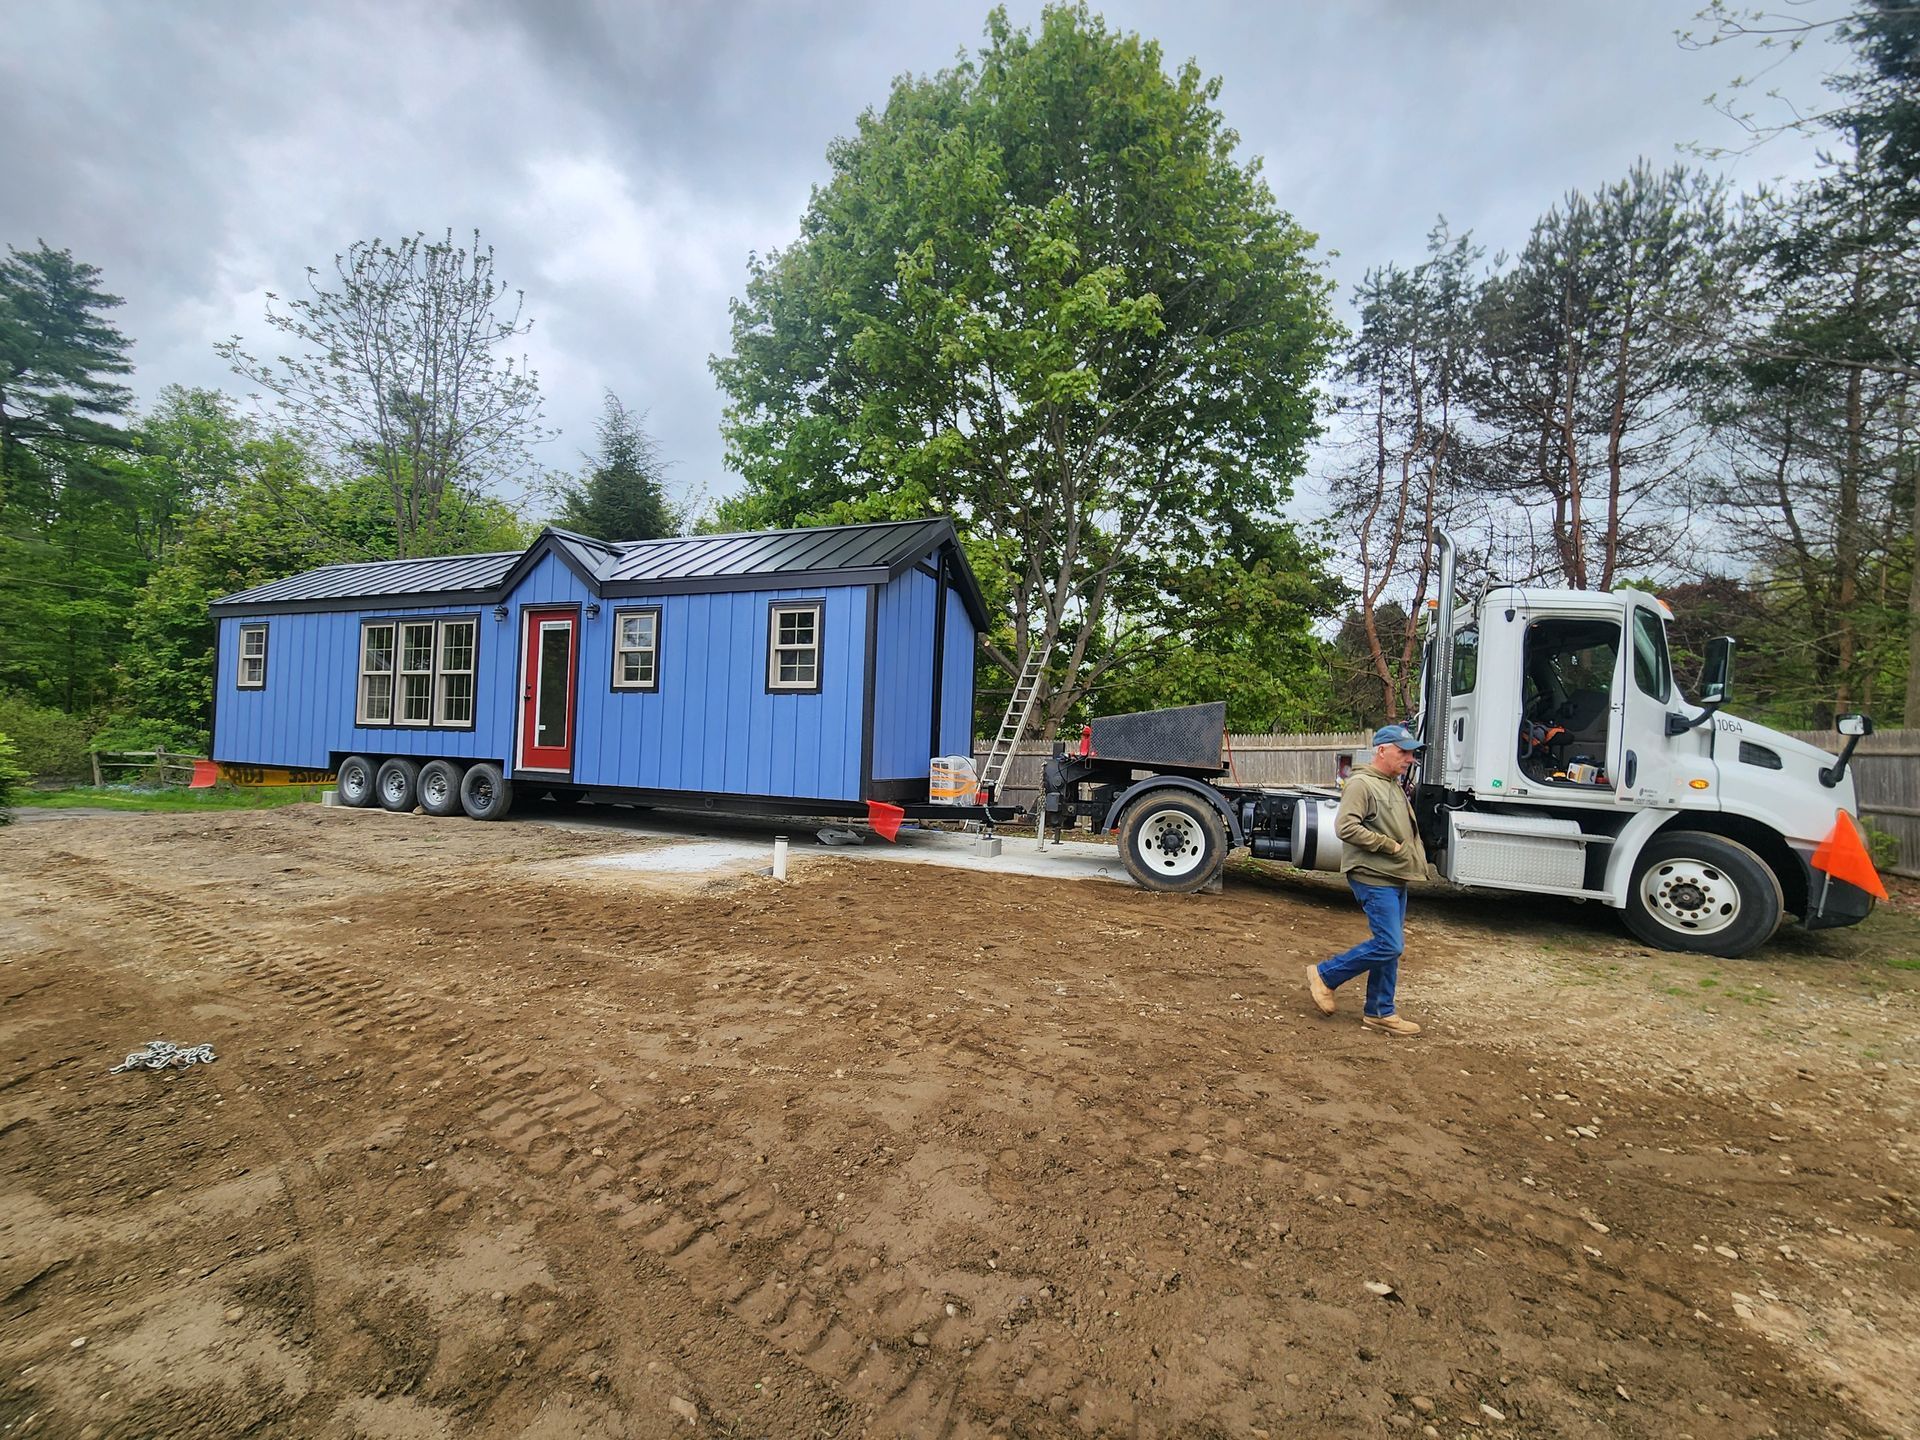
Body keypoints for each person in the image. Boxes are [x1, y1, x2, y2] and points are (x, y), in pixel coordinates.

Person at [1306, 724, 1428, 1036]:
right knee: (1389, 943)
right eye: (1403, 752)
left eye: (1411, 753)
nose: (1409, 759)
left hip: (1394, 874)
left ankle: (1379, 1011)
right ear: (1382, 750)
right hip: (1374, 875)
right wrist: (1388, 845)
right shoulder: (1362, 783)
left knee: (1391, 947)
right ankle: (1325, 975)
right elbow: (1345, 827)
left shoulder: (1391, 783)